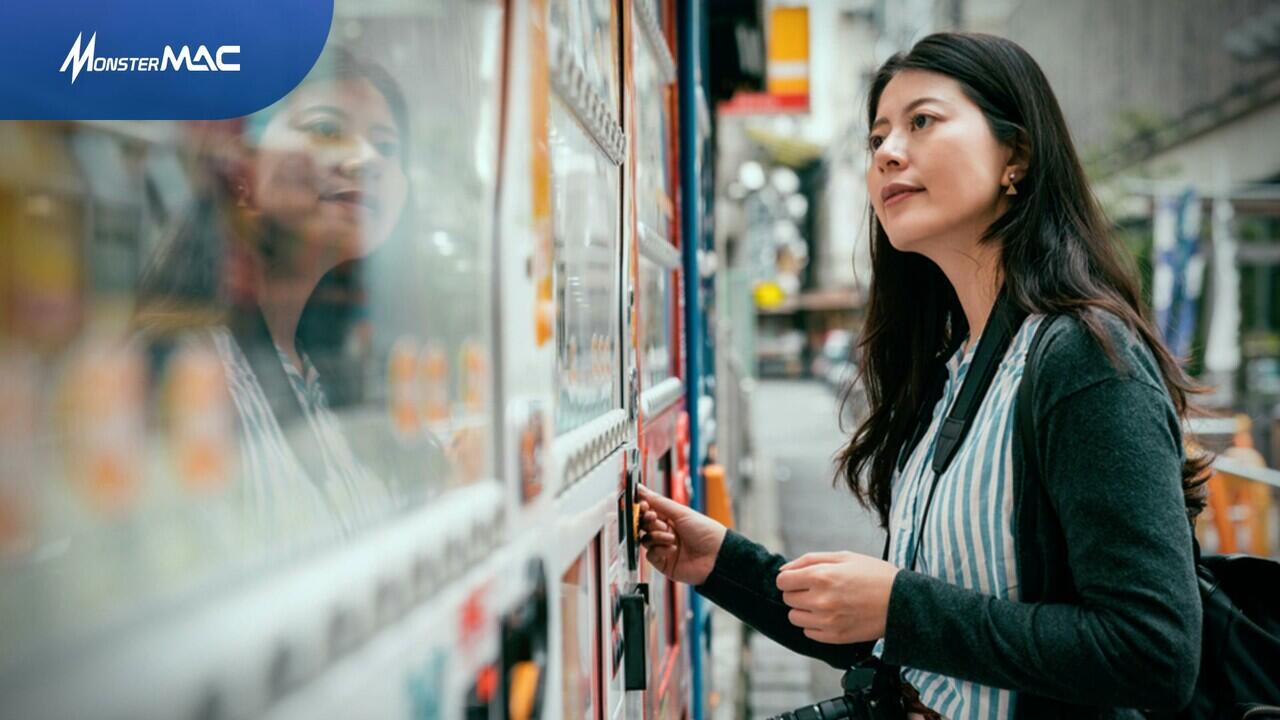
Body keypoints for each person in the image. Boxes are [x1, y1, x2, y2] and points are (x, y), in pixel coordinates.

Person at [638, 32, 1208, 720]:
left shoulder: (1082, 358)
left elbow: (1154, 653)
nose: (887, 152)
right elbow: (905, 641)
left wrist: (901, 604)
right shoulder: (954, 369)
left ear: (1016, 156)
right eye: (876, 136)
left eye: (922, 122)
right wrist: (721, 564)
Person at [135, 48, 439, 538]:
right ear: (239, 165)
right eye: (325, 129)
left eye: (386, 145)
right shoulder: (188, 373)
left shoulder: (317, 371)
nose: (365, 160)